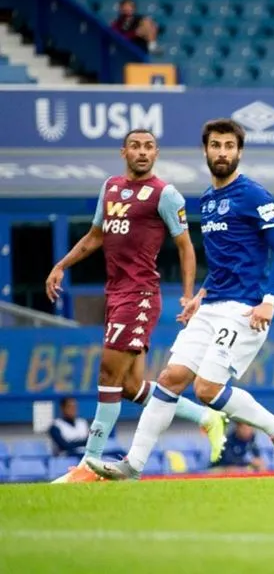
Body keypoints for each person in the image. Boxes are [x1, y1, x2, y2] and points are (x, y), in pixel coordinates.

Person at [87, 119, 274, 481]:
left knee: (206, 390)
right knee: (170, 378)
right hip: (213, 303)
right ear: (206, 151)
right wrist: (200, 294)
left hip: (244, 308)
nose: (222, 152)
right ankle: (132, 466)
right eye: (216, 145)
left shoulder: (254, 195)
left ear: (239, 152)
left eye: (229, 146)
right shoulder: (208, 198)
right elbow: (223, 261)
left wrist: (270, 301)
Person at [45, 129, 224, 483]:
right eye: (136, 146)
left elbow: (187, 247)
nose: (142, 152)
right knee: (129, 386)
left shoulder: (165, 194)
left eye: (149, 147)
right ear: (123, 151)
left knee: (107, 374)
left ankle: (89, 465)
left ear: (156, 153)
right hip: (116, 295)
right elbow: (95, 236)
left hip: (140, 295)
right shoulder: (110, 187)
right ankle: (206, 418)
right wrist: (61, 265)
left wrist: (188, 296)